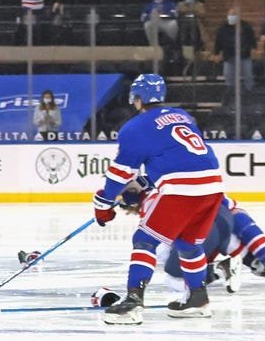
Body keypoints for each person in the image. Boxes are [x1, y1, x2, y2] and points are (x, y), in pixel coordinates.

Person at [93, 74, 224, 324]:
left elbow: (120, 173)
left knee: (144, 240)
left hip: (181, 190)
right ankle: (198, 299)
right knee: (187, 242)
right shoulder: (182, 116)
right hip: (213, 187)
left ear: (137, 98)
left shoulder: (134, 127)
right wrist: (144, 184)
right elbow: (178, 157)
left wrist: (103, 203)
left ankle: (133, 303)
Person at [214, 8, 255, 95]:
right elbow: (218, 41)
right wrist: (216, 53)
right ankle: (230, 91)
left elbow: (251, 38)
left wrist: (253, 48)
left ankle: (249, 90)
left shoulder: (245, 26)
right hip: (229, 55)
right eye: (230, 14)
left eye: (234, 14)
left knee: (248, 75)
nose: (231, 16)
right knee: (228, 75)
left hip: (244, 55)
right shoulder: (223, 27)